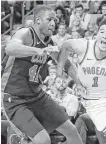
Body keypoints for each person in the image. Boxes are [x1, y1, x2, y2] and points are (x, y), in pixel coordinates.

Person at [1, 5, 83, 144]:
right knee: (43, 140)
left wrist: (79, 82)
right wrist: (37, 51)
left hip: (38, 97)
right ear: (38, 20)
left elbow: (66, 64)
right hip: (15, 99)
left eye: (55, 20)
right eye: (49, 19)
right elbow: (10, 48)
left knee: (72, 131)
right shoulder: (26, 33)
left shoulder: (49, 42)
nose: (53, 23)